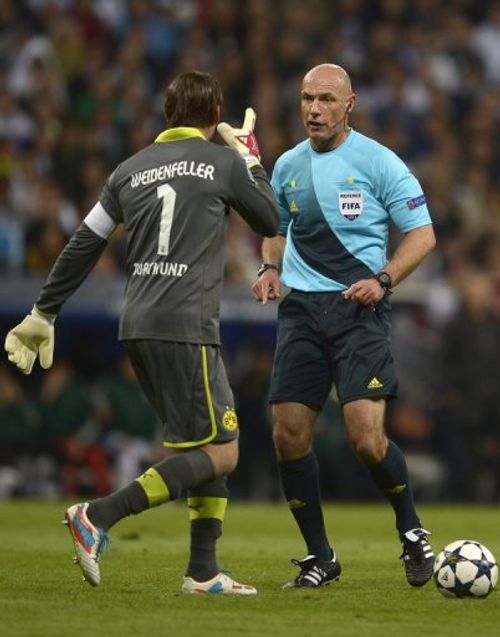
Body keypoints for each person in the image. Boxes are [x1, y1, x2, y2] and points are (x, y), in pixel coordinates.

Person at [4, 70, 279, 594]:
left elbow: (84, 243)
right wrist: (249, 156)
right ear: (215, 115)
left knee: (211, 440)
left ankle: (202, 571)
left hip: (137, 322)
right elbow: (269, 218)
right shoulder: (222, 161)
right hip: (186, 323)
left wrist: (44, 312)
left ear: (166, 114)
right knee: (224, 452)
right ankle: (99, 515)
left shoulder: (129, 170)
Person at [251, 63, 437, 589]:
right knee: (288, 436)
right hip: (302, 312)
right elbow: (275, 228)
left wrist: (383, 278)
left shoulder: (379, 162)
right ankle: (319, 558)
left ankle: (411, 530)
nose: (314, 108)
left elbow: (422, 235)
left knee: (366, 441)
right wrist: (269, 268)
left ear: (349, 103)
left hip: (360, 310)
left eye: (326, 99)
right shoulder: (287, 166)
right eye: (307, 98)